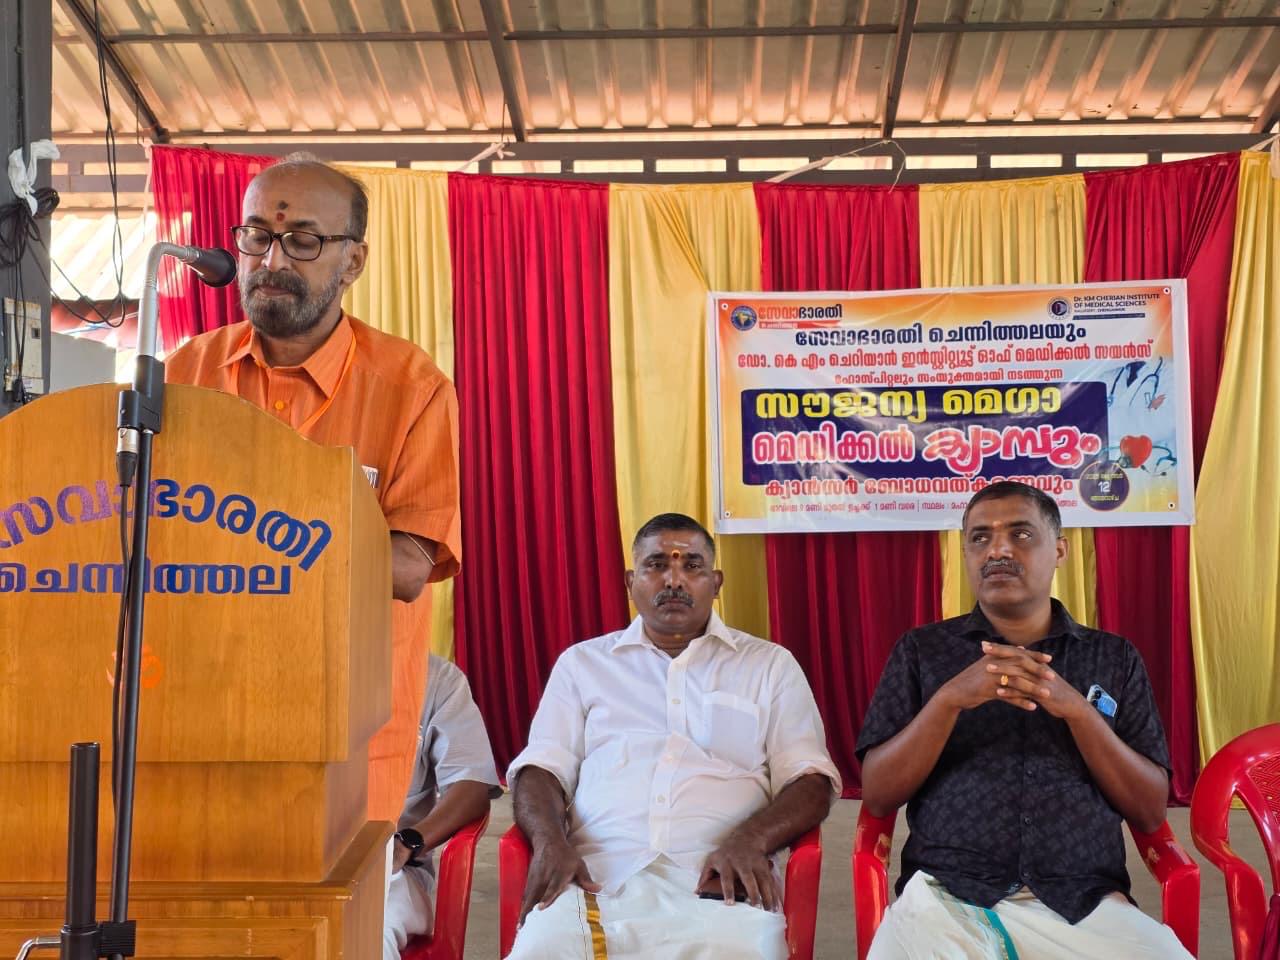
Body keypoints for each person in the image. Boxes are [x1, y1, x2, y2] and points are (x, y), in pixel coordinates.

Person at [165, 155, 462, 822]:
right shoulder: (185, 372)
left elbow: (408, 566)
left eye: (302, 240)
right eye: (256, 236)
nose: (271, 261)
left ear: (353, 262)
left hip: (343, 737)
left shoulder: (412, 388)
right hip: (197, 719)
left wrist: (244, 542)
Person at [856, 481, 1191, 959]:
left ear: (1059, 551)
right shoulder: (922, 651)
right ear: (966, 553)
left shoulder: (1113, 658)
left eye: (1021, 534)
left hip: (1082, 901)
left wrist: (1078, 711)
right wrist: (949, 700)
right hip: (948, 896)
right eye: (980, 537)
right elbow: (878, 793)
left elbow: (1149, 810)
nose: (998, 550)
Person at [505, 512, 841, 960]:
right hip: (600, 873)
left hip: (721, 877)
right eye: (657, 564)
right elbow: (542, 768)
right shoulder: (583, 664)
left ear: (716, 583)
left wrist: (751, 840)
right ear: (631, 581)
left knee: (746, 949)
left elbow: (810, 779)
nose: (674, 580)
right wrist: (551, 841)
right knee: (544, 947)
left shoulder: (769, 666)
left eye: (692, 566)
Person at [383, 654, 502, 959]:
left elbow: (471, 786)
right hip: (287, 864)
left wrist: (408, 842)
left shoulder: (435, 679)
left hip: (390, 871)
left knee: (365, 936)